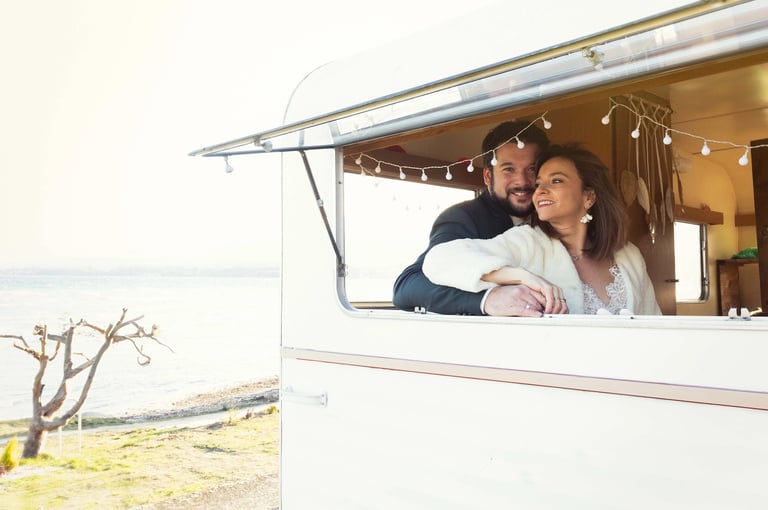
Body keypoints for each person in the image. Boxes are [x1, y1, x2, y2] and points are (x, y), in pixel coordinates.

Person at [422, 143, 661, 315]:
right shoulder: (526, 242)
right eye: (539, 184)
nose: (539, 191)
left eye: (556, 180)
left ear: (588, 196)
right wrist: (521, 276)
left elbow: (653, 324)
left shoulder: (629, 255)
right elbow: (439, 259)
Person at [392, 120, 551, 316]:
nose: (522, 181)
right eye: (509, 169)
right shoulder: (463, 218)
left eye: (532, 169)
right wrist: (487, 299)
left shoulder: (552, 218)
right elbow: (407, 285)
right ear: (488, 176)